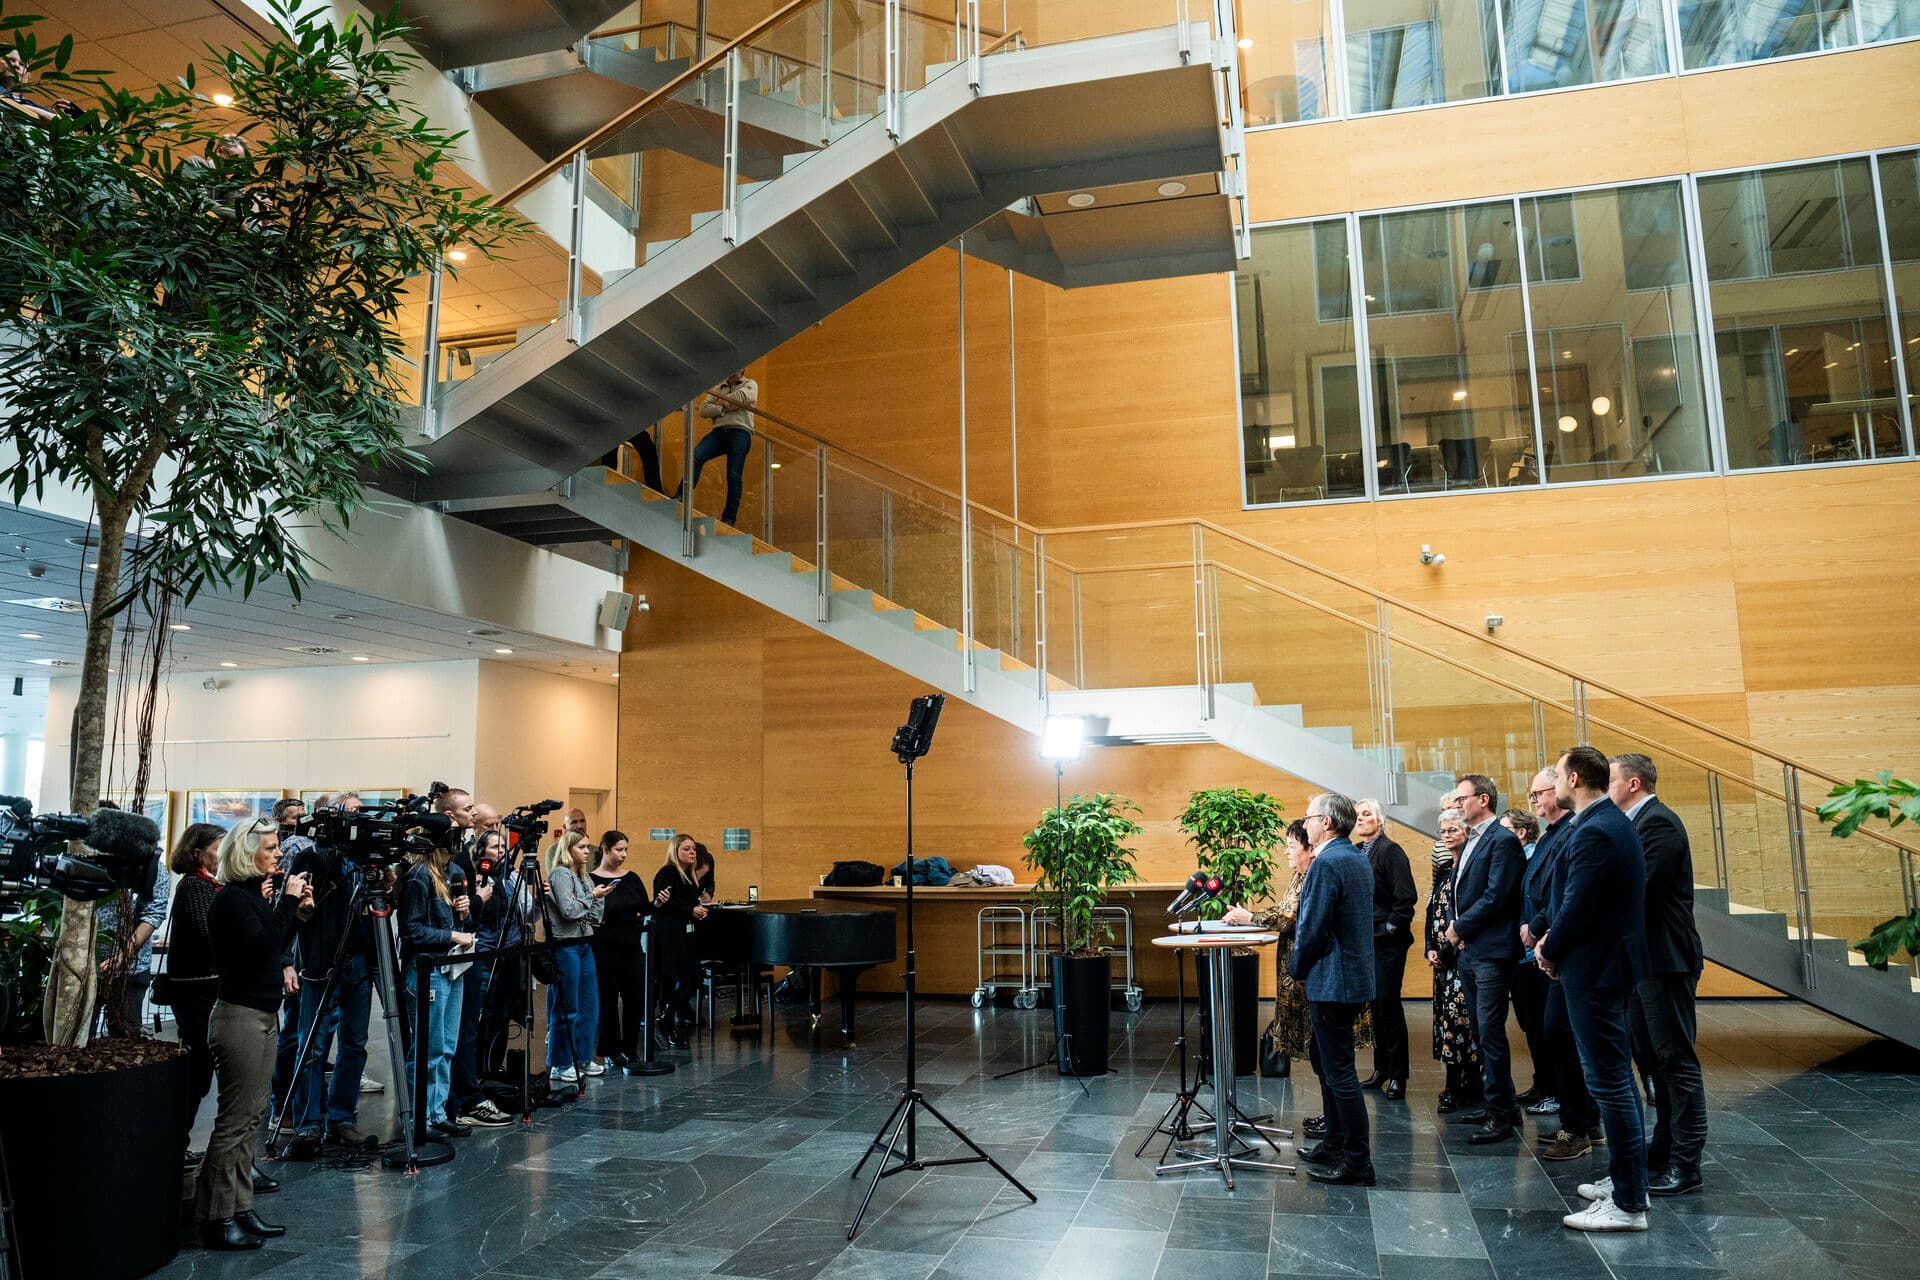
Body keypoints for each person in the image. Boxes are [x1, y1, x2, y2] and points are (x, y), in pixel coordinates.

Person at [1539, 745, 1652, 1233]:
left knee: (1609, 1083)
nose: (1556, 782)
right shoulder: (1602, 822)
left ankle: (1628, 1204)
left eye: (1559, 774)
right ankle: (1629, 1179)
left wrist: (1549, 947)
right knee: (1617, 1080)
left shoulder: (1598, 828)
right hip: (1602, 965)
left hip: (1596, 968)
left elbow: (1577, 903)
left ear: (1577, 777)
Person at [195, 818, 311, 1251]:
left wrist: (295, 911)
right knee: (234, 1121)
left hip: (261, 1013)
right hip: (240, 1018)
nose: (278, 852)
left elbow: (273, 945)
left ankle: (240, 1207)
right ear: (247, 853)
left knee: (251, 1119)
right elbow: (262, 946)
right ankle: (216, 1216)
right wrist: (287, 905)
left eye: (277, 845)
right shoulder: (231, 902)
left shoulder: (249, 898)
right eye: (270, 846)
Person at [1610, 752, 1707, 1196]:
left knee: (1677, 1064)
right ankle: (1663, 1147)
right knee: (1652, 1062)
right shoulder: (1636, 824)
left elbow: (1641, 892)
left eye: (1610, 779)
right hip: (1642, 962)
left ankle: (1687, 1163)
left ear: (1633, 784)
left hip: (1665, 960)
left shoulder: (1659, 823)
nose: (1605, 786)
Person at [281, 810, 382, 1157]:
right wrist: (285, 963)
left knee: (355, 1044)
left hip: (359, 961)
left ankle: (340, 1119)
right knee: (312, 1046)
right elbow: (293, 909)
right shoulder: (310, 857)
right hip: (321, 963)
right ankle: (308, 1124)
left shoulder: (365, 863)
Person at [1290, 792, 1376, 1186]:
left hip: (1332, 980)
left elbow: (1312, 927)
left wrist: (1296, 966)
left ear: (1326, 822)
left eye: (1308, 817)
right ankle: (1335, 1143)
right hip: (1350, 977)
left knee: (1339, 1072)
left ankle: (1358, 1161)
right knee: (1325, 1063)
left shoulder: (1328, 862)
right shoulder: (1354, 855)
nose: (1303, 824)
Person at [1520, 767, 1600, 1161]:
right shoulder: (1553, 833)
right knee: (1560, 1034)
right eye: (1531, 795)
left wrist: (1538, 930)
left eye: (1540, 793)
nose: (1534, 800)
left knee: (1563, 1036)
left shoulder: (1572, 830)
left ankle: (1578, 1124)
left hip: (1562, 945)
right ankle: (1585, 1119)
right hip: (1551, 941)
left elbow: (1564, 892)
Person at [1442, 772, 1526, 1144]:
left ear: (1484, 800)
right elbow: (1459, 891)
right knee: (1480, 1031)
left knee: (1490, 1032)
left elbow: (1497, 897)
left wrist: (1459, 927)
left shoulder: (1502, 840)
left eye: (1463, 798)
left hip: (1491, 950)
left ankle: (1502, 1115)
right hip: (1471, 951)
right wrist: (1454, 928)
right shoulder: (1474, 839)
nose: (1459, 804)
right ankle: (1500, 1104)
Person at [1224, 821, 1329, 1077]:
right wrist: (1247, 916)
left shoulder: (1315, 874)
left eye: (1291, 845)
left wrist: (1249, 917)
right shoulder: (1299, 875)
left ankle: (1332, 1114)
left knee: (1321, 1044)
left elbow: (1286, 918)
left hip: (1310, 972)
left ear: (1310, 848)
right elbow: (1284, 910)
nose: (1286, 852)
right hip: (1296, 968)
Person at [399, 830, 475, 1139]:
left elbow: (462, 922)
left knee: (446, 1045)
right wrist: (451, 936)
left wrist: (464, 915)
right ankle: (421, 1116)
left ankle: (437, 1110)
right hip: (427, 969)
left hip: (452, 966)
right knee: (428, 1048)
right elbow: (411, 931)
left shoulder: (454, 872)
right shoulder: (418, 877)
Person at [164, 823, 229, 1162]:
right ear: (198, 852)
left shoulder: (208, 887)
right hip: (197, 992)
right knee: (199, 1071)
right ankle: (175, 1143)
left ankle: (177, 1143)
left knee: (201, 1071)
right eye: (220, 846)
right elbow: (211, 935)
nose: (225, 852)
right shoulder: (195, 887)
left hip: (203, 990)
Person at [1353, 798, 1415, 1099]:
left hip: (1387, 942)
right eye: (1358, 815)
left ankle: (1398, 1074)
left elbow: (1406, 898)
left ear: (1380, 819)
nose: (1361, 819)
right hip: (1365, 941)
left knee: (1388, 1004)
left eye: (1367, 814)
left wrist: (1390, 928)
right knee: (1374, 1007)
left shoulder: (1390, 851)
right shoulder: (1355, 851)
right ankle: (1381, 1069)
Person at [1425, 810, 1481, 1114]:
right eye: (1442, 831)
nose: (1446, 835)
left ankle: (1471, 1082)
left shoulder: (1471, 867)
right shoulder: (1445, 869)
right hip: (1441, 961)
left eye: (1452, 830)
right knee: (1446, 1024)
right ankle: (1452, 1083)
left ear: (1466, 832)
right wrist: (1430, 948)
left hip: (1461, 958)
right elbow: (1433, 910)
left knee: (1464, 1022)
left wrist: (1447, 952)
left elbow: (1465, 916)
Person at [590, 830, 656, 1068]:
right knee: (607, 998)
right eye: (619, 850)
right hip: (604, 946)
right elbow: (592, 912)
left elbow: (643, 907)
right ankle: (609, 1049)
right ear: (605, 850)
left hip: (631, 944)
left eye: (626, 849)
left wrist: (655, 905)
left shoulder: (632, 878)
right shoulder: (591, 879)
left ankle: (630, 1047)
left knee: (635, 996)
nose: (624, 855)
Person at [1501, 806, 1552, 1113]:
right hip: (1520, 957)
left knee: (1545, 1026)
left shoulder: (1533, 861)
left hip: (1536, 954)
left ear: (1521, 833)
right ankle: (1542, 1083)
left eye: (1505, 830)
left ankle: (1555, 1090)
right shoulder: (1518, 861)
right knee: (1531, 1025)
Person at [545, 830, 607, 1082]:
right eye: (581, 846)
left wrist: (595, 898)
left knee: (589, 1004)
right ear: (568, 849)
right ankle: (560, 1062)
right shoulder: (560, 874)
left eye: (587, 847)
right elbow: (569, 911)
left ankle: (582, 1057)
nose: (586, 851)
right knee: (567, 1005)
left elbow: (594, 916)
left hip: (584, 942)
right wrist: (591, 897)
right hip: (565, 944)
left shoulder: (583, 876)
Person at [94, 830, 169, 1032]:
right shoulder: (83, 862)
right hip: (81, 967)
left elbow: (152, 915)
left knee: (125, 1038)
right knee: (74, 1037)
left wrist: (121, 956)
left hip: (130, 969)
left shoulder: (151, 869)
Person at [676, 370, 758, 526]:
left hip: (740, 432)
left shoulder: (750, 384)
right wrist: (725, 407)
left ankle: (729, 518)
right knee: (695, 456)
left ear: (742, 370)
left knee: (733, 475)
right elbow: (704, 410)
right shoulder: (719, 387)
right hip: (718, 433)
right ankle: (681, 496)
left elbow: (743, 397)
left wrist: (720, 404)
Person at [652, 834, 711, 1047]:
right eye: (686, 849)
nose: (692, 852)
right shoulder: (667, 873)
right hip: (670, 934)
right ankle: (665, 1020)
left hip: (686, 932)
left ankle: (666, 1020)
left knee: (690, 979)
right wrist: (690, 910)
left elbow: (686, 904)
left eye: (693, 848)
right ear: (675, 851)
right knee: (684, 979)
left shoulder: (689, 876)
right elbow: (664, 904)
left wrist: (699, 910)